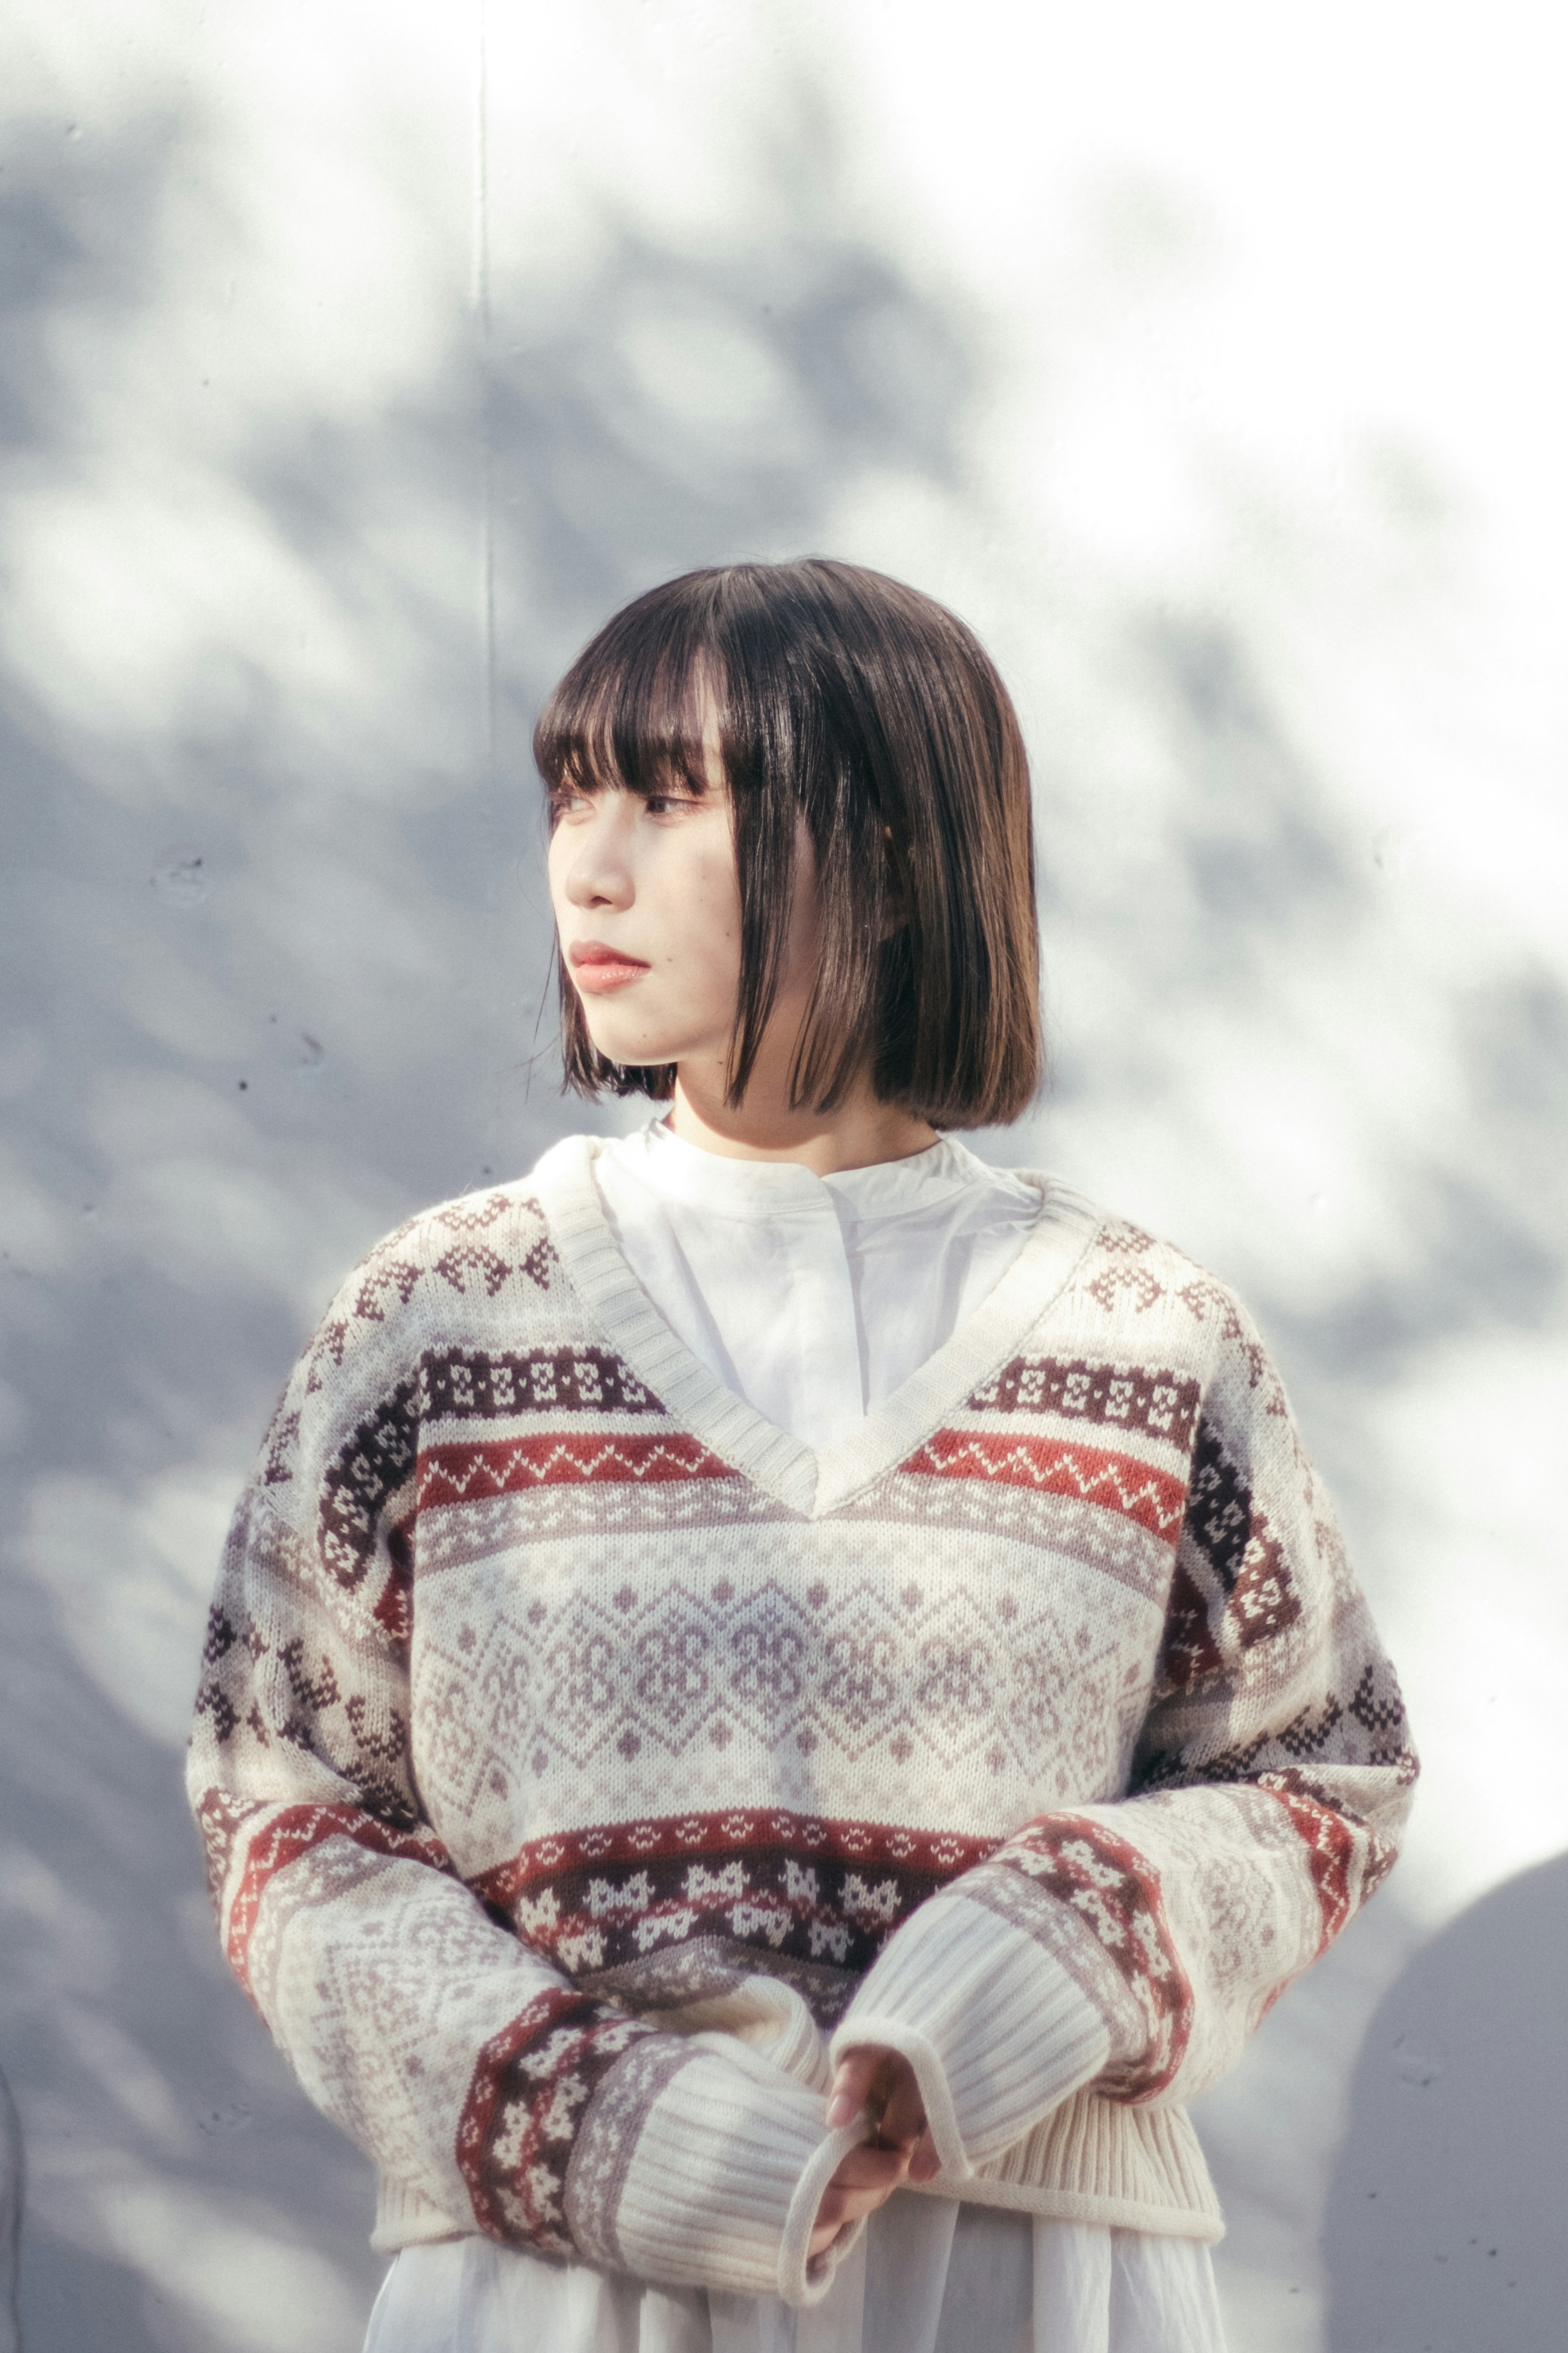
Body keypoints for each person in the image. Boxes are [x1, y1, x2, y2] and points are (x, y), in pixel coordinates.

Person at [187, 559, 1417, 2353]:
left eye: (673, 799)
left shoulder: (1142, 1332)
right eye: (570, 794)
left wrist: (1033, 1975)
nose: (585, 866)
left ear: (898, 851)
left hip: (1030, 2279)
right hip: (568, 2286)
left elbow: (1327, 1769)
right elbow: (286, 1810)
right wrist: (612, 2129)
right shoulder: (447, 1320)